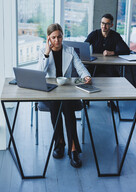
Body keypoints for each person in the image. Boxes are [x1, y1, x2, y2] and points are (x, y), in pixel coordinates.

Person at [38, 23, 91, 168]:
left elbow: (80, 67)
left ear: (63, 36)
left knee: (67, 106)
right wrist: (47, 53)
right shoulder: (44, 51)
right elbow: (40, 74)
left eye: (59, 37)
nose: (57, 40)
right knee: (56, 104)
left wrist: (86, 76)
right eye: (53, 37)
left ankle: (73, 148)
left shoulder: (70, 51)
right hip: (52, 90)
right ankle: (59, 142)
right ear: (49, 38)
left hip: (67, 89)